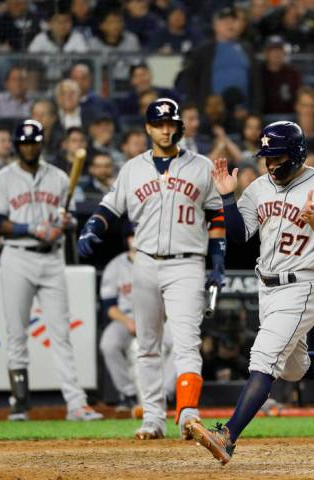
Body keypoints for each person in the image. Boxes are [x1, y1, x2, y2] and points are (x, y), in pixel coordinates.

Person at [186, 120, 314, 465]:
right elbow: (238, 235)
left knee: (262, 360)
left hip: (302, 285)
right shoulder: (260, 187)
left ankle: (227, 436)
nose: (271, 165)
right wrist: (227, 196)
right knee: (294, 368)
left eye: (277, 158)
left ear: (296, 154)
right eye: (267, 158)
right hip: (268, 287)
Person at [77, 98, 226, 440]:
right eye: (158, 124)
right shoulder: (132, 169)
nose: (165, 129)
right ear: (148, 128)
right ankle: (153, 419)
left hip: (187, 261)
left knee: (187, 342)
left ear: (179, 127)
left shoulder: (201, 166)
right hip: (143, 263)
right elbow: (108, 207)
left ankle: (188, 413)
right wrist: (93, 228)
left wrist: (218, 260)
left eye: (170, 123)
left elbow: (216, 216)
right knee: (146, 345)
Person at [0, 119, 103, 422]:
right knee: (16, 332)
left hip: (52, 259)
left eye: (34, 142)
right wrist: (33, 228)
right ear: (16, 145)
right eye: (24, 143)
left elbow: (73, 216)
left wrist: (67, 223)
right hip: (17, 257)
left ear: (41, 143)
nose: (29, 147)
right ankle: (20, 403)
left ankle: (76, 404)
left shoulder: (60, 177)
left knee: (61, 333)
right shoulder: (2, 179)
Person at [99, 231, 176, 411]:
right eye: (133, 234)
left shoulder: (160, 262)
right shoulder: (115, 266)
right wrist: (127, 322)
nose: (137, 238)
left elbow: (170, 298)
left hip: (157, 316)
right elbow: (109, 307)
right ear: (128, 238)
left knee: (181, 342)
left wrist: (157, 318)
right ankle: (128, 393)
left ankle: (165, 393)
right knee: (108, 344)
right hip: (126, 318)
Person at [261, 36, 302, 114]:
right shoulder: (259, 73)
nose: (277, 54)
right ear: (266, 53)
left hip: (289, 117)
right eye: (273, 50)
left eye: (280, 50)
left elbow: (298, 96)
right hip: (263, 117)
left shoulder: (293, 73)